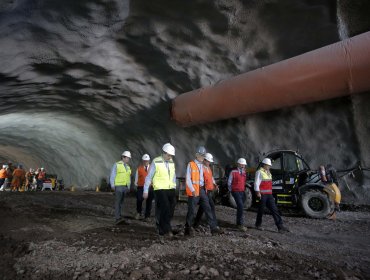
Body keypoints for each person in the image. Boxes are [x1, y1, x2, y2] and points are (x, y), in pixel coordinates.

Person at [185, 147, 221, 236]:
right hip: (194, 191)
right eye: (201, 156)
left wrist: (213, 185)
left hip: (201, 190)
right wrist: (192, 190)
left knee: (207, 208)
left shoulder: (202, 166)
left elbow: (207, 178)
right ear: (197, 155)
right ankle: (188, 228)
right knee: (192, 211)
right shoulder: (191, 164)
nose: (203, 158)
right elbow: (188, 179)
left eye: (203, 156)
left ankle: (213, 228)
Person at [143, 143, 176, 238]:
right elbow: (149, 177)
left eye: (171, 156)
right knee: (165, 206)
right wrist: (145, 190)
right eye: (169, 155)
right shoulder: (156, 161)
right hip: (159, 188)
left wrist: (174, 186)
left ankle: (162, 226)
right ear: (164, 153)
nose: (170, 157)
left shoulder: (171, 162)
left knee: (172, 206)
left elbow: (173, 175)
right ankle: (166, 229)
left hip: (170, 188)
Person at [254, 158, 289, 233]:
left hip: (269, 195)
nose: (269, 166)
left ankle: (280, 227)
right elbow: (256, 183)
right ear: (265, 165)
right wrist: (258, 192)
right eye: (268, 165)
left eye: (269, 165)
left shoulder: (268, 172)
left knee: (275, 210)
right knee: (261, 210)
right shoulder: (259, 172)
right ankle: (258, 224)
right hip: (262, 195)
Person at [194, 153, 220, 230]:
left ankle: (195, 223)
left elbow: (211, 177)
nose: (209, 163)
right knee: (211, 206)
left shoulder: (208, 168)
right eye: (208, 161)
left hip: (209, 191)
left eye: (209, 162)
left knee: (202, 208)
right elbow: (200, 180)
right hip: (204, 191)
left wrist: (215, 184)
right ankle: (214, 225)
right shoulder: (201, 168)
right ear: (204, 160)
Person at [110, 151, 132, 225]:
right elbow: (113, 175)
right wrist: (112, 185)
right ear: (123, 157)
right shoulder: (117, 165)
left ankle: (120, 217)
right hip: (118, 186)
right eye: (127, 158)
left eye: (129, 158)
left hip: (125, 187)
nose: (128, 159)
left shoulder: (128, 167)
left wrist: (128, 186)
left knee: (121, 203)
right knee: (118, 202)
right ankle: (117, 218)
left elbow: (128, 177)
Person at [228, 158, 248, 231]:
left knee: (240, 207)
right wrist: (231, 190)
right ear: (238, 164)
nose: (243, 166)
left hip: (241, 191)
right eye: (242, 164)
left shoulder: (244, 172)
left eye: (244, 165)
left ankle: (238, 223)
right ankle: (240, 224)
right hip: (235, 191)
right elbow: (229, 182)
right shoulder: (233, 172)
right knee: (240, 206)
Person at [134, 154, 154, 220]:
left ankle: (147, 216)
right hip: (141, 186)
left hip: (150, 187)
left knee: (149, 201)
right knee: (139, 199)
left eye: (147, 161)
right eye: (145, 161)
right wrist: (137, 184)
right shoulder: (139, 169)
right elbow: (136, 178)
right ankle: (138, 212)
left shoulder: (152, 168)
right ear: (143, 161)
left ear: (149, 161)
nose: (146, 162)